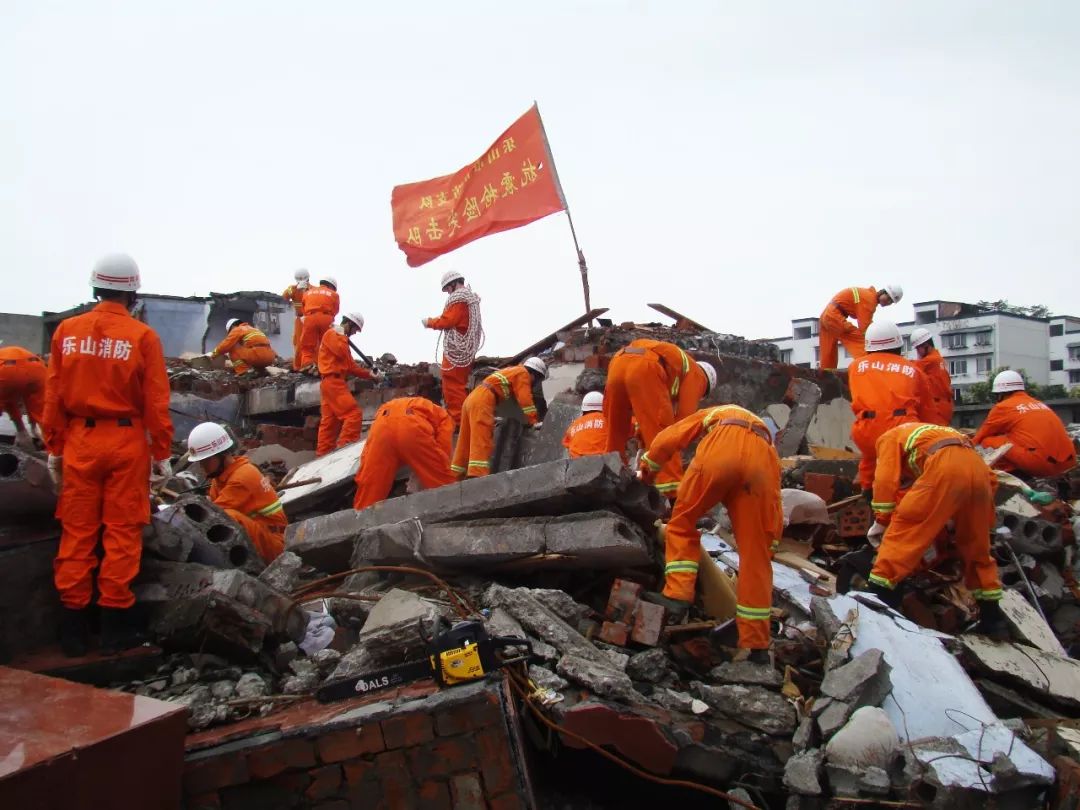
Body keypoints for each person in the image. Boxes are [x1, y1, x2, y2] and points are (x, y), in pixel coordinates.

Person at [42, 254, 173, 657]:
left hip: (80, 439)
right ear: (132, 292)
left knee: (78, 531)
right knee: (122, 531)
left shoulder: (66, 331)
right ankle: (115, 627)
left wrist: (54, 446)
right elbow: (155, 400)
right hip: (126, 440)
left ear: (96, 288)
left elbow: (53, 393)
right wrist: (161, 452)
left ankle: (73, 630)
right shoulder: (141, 337)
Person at [638, 405, 782, 659]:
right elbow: (774, 509)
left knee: (682, 523)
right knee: (755, 556)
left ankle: (677, 595)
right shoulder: (768, 443)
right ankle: (757, 643)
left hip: (722, 448)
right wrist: (768, 544)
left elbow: (671, 436)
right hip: (762, 463)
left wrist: (647, 472)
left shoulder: (722, 411)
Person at [865, 422, 1007, 638]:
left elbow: (885, 480)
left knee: (904, 534)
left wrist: (882, 519)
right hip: (980, 475)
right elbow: (991, 480)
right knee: (978, 551)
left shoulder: (888, 438)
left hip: (944, 469)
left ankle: (879, 603)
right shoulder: (936, 432)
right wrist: (962, 515)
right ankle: (993, 620)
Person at [604, 339, 717, 497]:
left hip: (617, 362)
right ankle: (672, 495)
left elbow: (644, 412)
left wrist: (643, 435)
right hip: (645, 366)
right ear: (706, 386)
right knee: (667, 436)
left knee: (615, 430)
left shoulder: (675, 368)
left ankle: (609, 480)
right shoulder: (698, 376)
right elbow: (684, 422)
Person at [187, 422, 286, 563]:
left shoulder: (241, 478)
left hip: (275, 545)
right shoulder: (220, 478)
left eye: (206, 461)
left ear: (221, 455)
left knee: (226, 516)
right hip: (262, 535)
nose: (203, 467)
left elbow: (213, 515)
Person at [848, 321, 926, 493]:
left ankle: (868, 492)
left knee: (870, 459)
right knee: (906, 472)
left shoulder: (855, 367)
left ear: (868, 346)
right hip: (901, 428)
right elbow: (926, 409)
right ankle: (901, 502)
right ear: (898, 345)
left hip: (867, 430)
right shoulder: (913, 369)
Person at [353, 397, 456, 510]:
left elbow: (367, 456)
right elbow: (443, 452)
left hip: (382, 425)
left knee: (370, 490)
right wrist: (438, 469)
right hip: (412, 425)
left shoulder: (395, 407)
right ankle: (455, 510)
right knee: (444, 485)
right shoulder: (444, 418)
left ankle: (359, 519)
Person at [451, 358, 546, 478]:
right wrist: (533, 421)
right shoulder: (524, 374)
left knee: (465, 438)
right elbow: (525, 399)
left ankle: (456, 473)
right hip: (483, 400)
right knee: (482, 437)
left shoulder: (513, 370)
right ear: (534, 374)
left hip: (472, 398)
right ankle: (477, 474)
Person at [973, 370, 1076, 477]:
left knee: (988, 440)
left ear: (1000, 394)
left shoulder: (1003, 407)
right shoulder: (1039, 404)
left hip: (1042, 465)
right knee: (1016, 439)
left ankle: (1009, 472)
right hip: (1069, 463)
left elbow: (979, 437)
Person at [422, 270, 483, 427]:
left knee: (452, 387)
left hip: (456, 353)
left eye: (447, 289)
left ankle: (459, 422)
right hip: (464, 352)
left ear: (453, 284)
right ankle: (463, 419)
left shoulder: (459, 300)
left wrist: (429, 322)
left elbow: (448, 320)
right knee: (459, 387)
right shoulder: (469, 299)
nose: (448, 293)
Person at [317, 312, 376, 456]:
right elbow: (340, 351)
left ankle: (322, 456)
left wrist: (370, 374)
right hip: (333, 382)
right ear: (349, 324)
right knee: (353, 415)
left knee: (330, 424)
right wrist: (342, 335)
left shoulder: (339, 337)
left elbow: (350, 366)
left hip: (332, 382)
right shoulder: (332, 334)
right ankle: (345, 452)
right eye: (355, 330)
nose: (354, 334)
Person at [818, 284, 903, 370]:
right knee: (862, 341)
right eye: (888, 298)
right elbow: (865, 328)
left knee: (828, 352)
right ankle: (872, 365)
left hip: (827, 315)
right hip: (834, 317)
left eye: (891, 302)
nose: (888, 302)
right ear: (882, 292)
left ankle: (825, 374)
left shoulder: (866, 295)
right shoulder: (869, 300)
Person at [0, 345, 46, 449]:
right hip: (37, 366)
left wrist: (21, 430)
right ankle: (53, 449)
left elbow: (8, 400)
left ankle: (25, 435)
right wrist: (32, 427)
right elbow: (33, 403)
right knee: (44, 413)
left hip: (5, 368)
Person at [909, 328, 954, 426]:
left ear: (925, 346)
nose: (917, 352)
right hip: (945, 405)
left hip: (938, 407)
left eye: (918, 348)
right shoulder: (938, 358)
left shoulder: (931, 360)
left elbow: (910, 367)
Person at [298, 275, 340, 371]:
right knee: (327, 345)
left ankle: (306, 366)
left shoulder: (307, 293)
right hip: (326, 318)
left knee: (307, 346)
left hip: (310, 318)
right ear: (332, 286)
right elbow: (335, 310)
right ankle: (326, 367)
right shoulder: (334, 294)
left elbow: (303, 308)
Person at [209, 318, 276, 376]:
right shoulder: (254, 329)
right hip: (269, 358)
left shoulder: (238, 329)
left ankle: (243, 373)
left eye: (230, 332)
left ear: (232, 326)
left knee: (232, 349)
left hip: (258, 356)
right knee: (250, 351)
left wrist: (214, 354)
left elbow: (225, 345)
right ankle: (261, 371)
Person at [562, 391, 608, 459]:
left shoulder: (574, 424)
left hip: (578, 463)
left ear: (583, 410)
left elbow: (566, 443)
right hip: (604, 461)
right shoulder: (608, 420)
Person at [282, 268, 309, 371]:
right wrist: (295, 289)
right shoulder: (293, 289)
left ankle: (309, 364)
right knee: (298, 343)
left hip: (310, 318)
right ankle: (298, 367)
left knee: (311, 343)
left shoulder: (313, 289)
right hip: (300, 319)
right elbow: (283, 298)